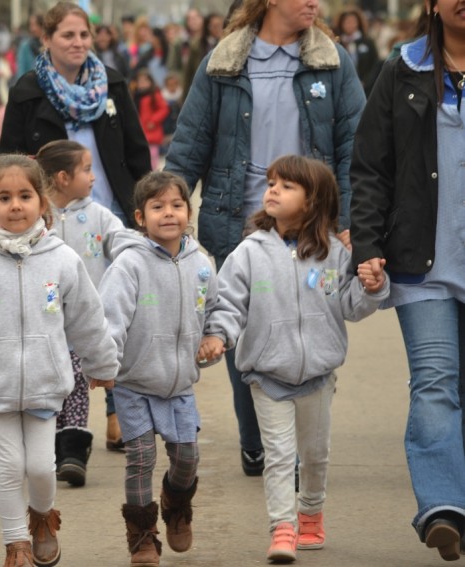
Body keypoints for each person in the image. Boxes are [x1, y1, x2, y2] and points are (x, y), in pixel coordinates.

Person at [164, 0, 366, 477]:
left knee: (305, 323)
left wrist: (350, 219)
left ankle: (295, 443)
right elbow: (190, 142)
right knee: (243, 327)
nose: (314, 2)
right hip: (236, 219)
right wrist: (168, 208)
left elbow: (353, 149)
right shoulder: (224, 61)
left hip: (312, 225)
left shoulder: (333, 63)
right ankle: (257, 438)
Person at [0, 154, 119, 567]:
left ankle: (43, 518)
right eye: (4, 197)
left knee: (41, 467)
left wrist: (102, 365)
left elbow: (88, 318)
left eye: (25, 196)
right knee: (10, 466)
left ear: (42, 202)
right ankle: (15, 543)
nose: (15, 205)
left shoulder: (62, 259)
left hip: (45, 382)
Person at [199, 155, 388, 563]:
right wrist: (218, 336)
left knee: (315, 455)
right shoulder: (249, 251)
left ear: (313, 200)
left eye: (285, 186)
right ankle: (281, 528)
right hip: (267, 375)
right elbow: (230, 303)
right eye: (270, 183)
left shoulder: (335, 253)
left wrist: (372, 286)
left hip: (319, 375)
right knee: (280, 456)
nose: (272, 191)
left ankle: (311, 513)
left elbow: (351, 306)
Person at [349, 0, 465, 560]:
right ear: (432, 5)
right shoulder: (404, 67)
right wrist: (368, 245)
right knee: (436, 380)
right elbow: (372, 164)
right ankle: (444, 507)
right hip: (424, 264)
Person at [98, 171, 215, 567]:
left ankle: (176, 504)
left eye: (177, 205)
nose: (169, 213)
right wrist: (104, 364)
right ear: (139, 217)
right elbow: (109, 319)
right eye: (158, 207)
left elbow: (214, 309)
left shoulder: (201, 264)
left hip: (180, 384)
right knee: (142, 458)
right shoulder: (129, 265)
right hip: (133, 382)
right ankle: (142, 536)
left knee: (187, 458)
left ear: (189, 212)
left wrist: (215, 336)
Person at [0, 1, 151, 229]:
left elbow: (137, 153)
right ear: (47, 39)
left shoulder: (113, 85)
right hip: (52, 218)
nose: (78, 43)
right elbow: (10, 161)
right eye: (68, 35)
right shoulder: (27, 92)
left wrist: (147, 205)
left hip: (114, 211)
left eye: (84, 35)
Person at [34, 140, 126, 488]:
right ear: (61, 177)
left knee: (75, 383)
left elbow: (122, 242)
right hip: (43, 320)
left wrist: (146, 248)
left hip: (82, 321)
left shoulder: (99, 214)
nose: (92, 176)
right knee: (51, 385)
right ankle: (50, 448)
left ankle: (73, 451)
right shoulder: (37, 216)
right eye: (86, 169)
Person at [334, 8, 380, 95]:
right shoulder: (337, 43)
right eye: (346, 22)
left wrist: (365, 82)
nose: (350, 25)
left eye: (353, 22)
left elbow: (375, 64)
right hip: (342, 88)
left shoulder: (368, 42)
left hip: (366, 89)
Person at [132, 69, 169, 170]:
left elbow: (164, 109)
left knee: (152, 155)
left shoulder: (154, 95)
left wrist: (153, 121)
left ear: (151, 82)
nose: (142, 84)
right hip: (140, 131)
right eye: (140, 81)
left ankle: (151, 172)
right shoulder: (136, 96)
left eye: (145, 81)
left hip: (151, 131)